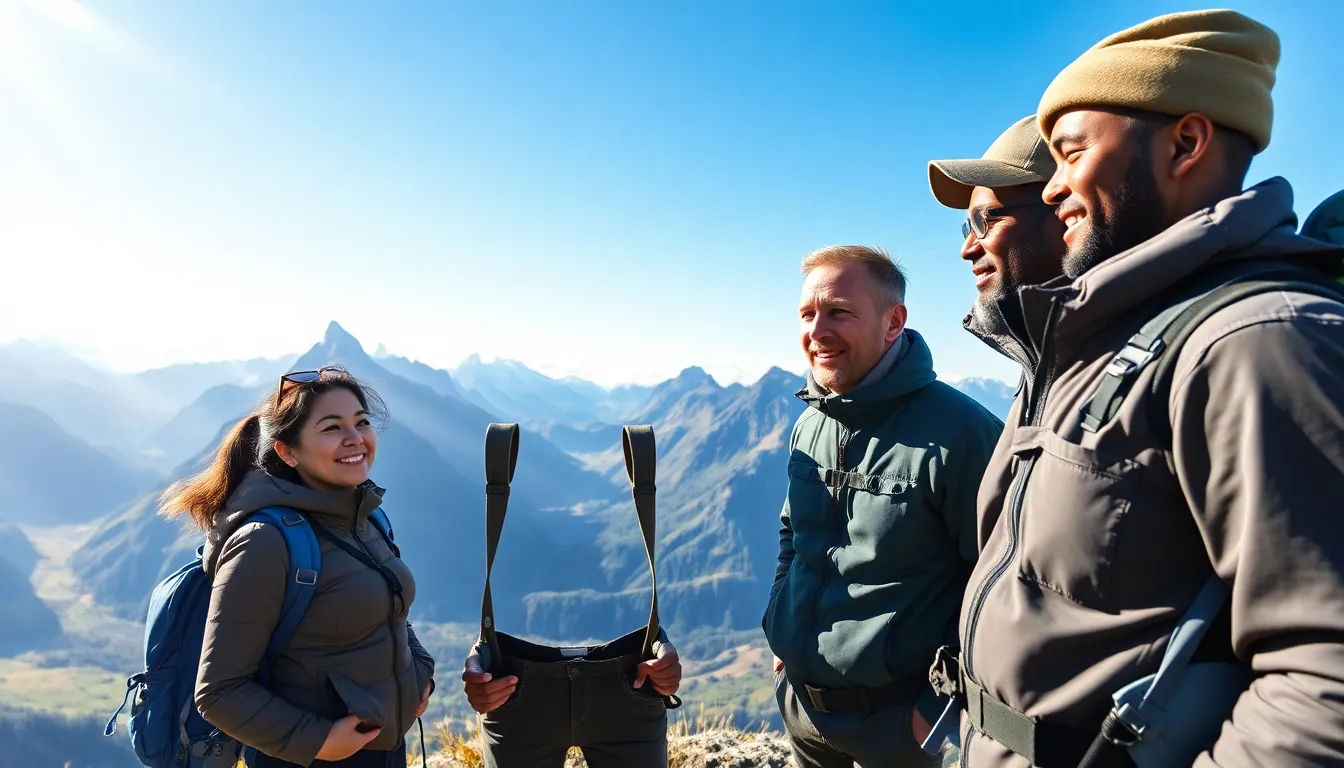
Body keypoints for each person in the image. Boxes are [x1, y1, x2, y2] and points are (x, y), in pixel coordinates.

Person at [950, 10, 1344, 767]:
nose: (1054, 186)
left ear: (1186, 144)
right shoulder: (1099, 339)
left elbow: (1324, 676)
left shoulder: (1257, 341)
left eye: (1070, 154)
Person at [762, 245, 1004, 767]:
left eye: (839, 312)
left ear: (894, 322)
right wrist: (781, 629)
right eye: (808, 314)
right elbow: (793, 536)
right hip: (804, 712)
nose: (817, 330)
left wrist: (932, 712)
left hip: (899, 730)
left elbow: (999, 586)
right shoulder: (812, 424)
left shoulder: (961, 435)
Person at [167, 365, 436, 767]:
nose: (355, 438)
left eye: (361, 422)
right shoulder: (264, 541)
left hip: (385, 751)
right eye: (331, 428)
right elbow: (219, 691)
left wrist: (420, 676)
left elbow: (388, 611)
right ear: (287, 451)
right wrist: (320, 741)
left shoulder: (363, 518)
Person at [928, 115, 1066, 370]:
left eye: (984, 221)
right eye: (968, 227)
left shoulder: (1134, 354)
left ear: (1067, 213)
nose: (967, 250)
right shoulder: (1043, 359)